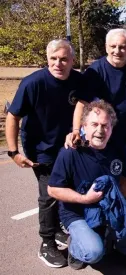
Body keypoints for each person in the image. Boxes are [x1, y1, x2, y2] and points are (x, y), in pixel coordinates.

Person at [5, 39, 82, 267]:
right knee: (49, 195)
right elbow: (13, 116)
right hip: (41, 150)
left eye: (64, 59)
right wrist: (13, 152)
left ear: (72, 61)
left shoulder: (79, 81)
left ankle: (58, 229)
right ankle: (47, 243)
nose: (58, 63)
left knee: (66, 189)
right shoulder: (33, 83)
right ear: (47, 59)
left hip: (68, 148)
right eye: (53, 59)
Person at [48, 100, 126, 270]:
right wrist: (84, 198)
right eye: (94, 124)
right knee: (94, 252)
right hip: (77, 212)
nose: (100, 130)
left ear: (111, 128)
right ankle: (75, 247)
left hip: (108, 207)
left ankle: (121, 249)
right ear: (84, 126)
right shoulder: (70, 151)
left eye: (105, 125)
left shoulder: (117, 147)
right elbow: (53, 189)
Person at [70, 28, 126, 148]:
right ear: (106, 47)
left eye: (122, 47)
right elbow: (82, 103)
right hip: (103, 133)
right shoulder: (95, 71)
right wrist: (76, 130)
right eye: (113, 46)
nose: (117, 51)